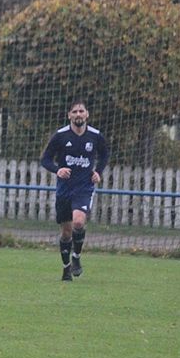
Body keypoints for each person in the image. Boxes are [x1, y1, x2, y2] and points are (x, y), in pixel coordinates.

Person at [40, 100, 110, 281]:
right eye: (75, 111)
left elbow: (105, 155)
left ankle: (76, 257)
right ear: (69, 115)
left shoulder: (95, 136)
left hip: (84, 187)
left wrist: (98, 171)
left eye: (81, 111)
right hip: (64, 189)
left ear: (87, 114)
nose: (78, 114)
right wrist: (58, 170)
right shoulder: (60, 136)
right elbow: (45, 159)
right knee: (66, 232)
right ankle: (66, 268)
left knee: (78, 222)